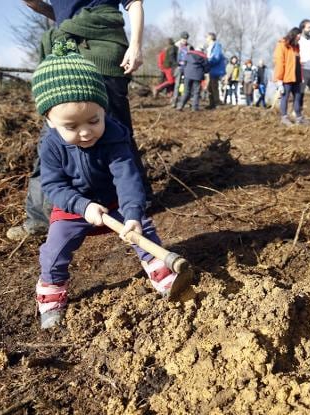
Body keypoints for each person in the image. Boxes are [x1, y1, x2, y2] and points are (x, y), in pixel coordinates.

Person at [31, 43, 192, 329]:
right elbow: (53, 185)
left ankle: (161, 272)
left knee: (143, 229)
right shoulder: (51, 147)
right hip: (73, 205)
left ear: (104, 110)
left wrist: (131, 213)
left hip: (114, 202)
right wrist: (82, 206)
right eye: (71, 126)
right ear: (50, 121)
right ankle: (51, 295)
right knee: (54, 250)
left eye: (94, 120)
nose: (84, 131)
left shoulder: (115, 136)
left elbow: (127, 176)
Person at [8, 0, 152, 241]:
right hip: (65, 48)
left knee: (115, 134)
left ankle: (135, 206)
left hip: (102, 48)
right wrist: (39, 7)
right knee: (53, 139)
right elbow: (63, 12)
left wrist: (136, 44)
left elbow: (133, 2)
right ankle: (41, 218)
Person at [274, 27, 309, 126]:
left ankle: (299, 118)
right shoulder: (282, 45)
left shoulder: (296, 46)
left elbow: (297, 62)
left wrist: (301, 76)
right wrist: (279, 80)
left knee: (297, 97)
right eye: (299, 35)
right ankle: (284, 117)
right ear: (294, 34)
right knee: (285, 97)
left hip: (296, 77)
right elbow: (280, 62)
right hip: (286, 77)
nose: (300, 38)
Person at [177, 46, 210, 111]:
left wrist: (183, 72)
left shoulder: (188, 55)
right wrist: (205, 71)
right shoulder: (204, 57)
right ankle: (194, 108)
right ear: (202, 50)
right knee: (196, 92)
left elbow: (183, 64)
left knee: (186, 91)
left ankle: (180, 106)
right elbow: (207, 68)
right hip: (197, 76)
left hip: (187, 75)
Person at [205, 32, 225, 109]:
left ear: (211, 38)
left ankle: (217, 102)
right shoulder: (210, 47)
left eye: (207, 37)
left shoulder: (216, 46)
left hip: (215, 69)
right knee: (210, 86)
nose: (206, 39)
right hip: (212, 69)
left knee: (214, 85)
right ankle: (212, 103)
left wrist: (208, 62)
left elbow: (216, 57)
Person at [171, 31, 191, 107]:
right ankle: (174, 101)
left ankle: (183, 102)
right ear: (181, 38)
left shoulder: (189, 47)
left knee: (186, 85)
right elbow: (172, 57)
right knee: (177, 85)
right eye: (183, 38)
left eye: (186, 39)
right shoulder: (176, 46)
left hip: (186, 68)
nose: (185, 40)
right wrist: (176, 64)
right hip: (178, 67)